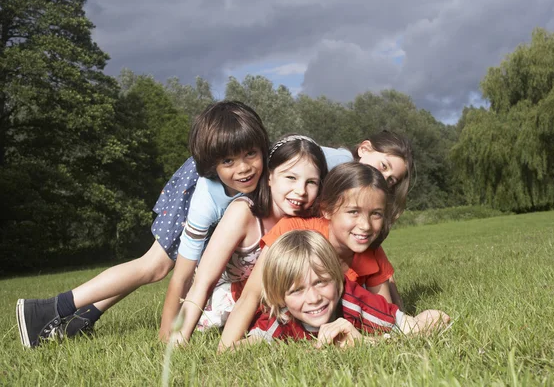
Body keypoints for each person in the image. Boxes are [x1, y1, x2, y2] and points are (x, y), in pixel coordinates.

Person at [16, 101, 271, 348]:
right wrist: (166, 338)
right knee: (156, 266)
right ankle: (48, 310)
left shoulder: (266, 172)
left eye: (251, 154)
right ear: (216, 164)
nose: (244, 168)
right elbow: (181, 278)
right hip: (196, 183)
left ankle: (83, 317)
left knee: (157, 266)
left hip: (218, 182)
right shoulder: (205, 196)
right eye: (230, 161)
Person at [219, 162, 404, 350]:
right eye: (354, 212)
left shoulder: (370, 252)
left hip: (313, 313)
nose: (365, 225)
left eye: (376, 214)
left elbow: (384, 319)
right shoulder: (295, 233)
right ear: (327, 209)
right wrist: (225, 348)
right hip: (261, 310)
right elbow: (250, 295)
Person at [163, 135, 328, 343]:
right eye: (291, 178)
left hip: (265, 296)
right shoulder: (243, 213)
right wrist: (178, 341)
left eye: (311, 182)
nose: (300, 191)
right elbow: (202, 283)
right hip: (223, 296)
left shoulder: (306, 221)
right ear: (269, 176)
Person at [244, 230, 450, 346]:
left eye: (321, 282)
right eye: (297, 290)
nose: (314, 298)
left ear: (337, 279)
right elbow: (239, 350)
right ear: (279, 297)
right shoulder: (281, 316)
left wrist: (364, 343)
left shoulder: (354, 302)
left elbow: (437, 318)